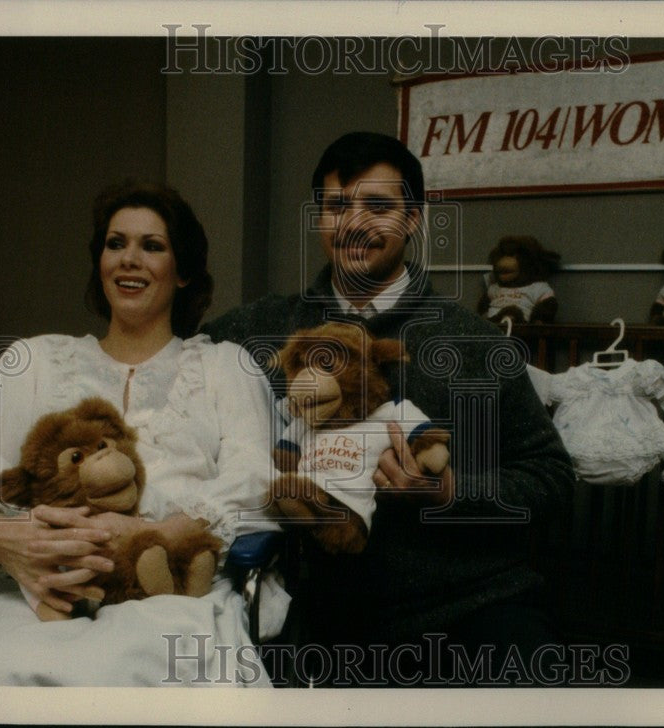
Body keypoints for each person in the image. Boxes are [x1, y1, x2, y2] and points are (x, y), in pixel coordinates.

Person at [203, 132, 575, 687]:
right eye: (336, 207)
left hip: (467, 604)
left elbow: (550, 479)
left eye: (378, 206)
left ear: (415, 219)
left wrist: (451, 492)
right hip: (311, 610)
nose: (354, 224)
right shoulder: (251, 333)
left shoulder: (475, 343)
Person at [0, 181, 281, 686]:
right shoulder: (34, 361)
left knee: (120, 666)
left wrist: (156, 534)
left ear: (182, 272)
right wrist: (0, 538)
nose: (129, 259)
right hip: (31, 590)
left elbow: (257, 483)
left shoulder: (225, 367)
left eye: (152, 246)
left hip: (168, 593)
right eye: (116, 244)